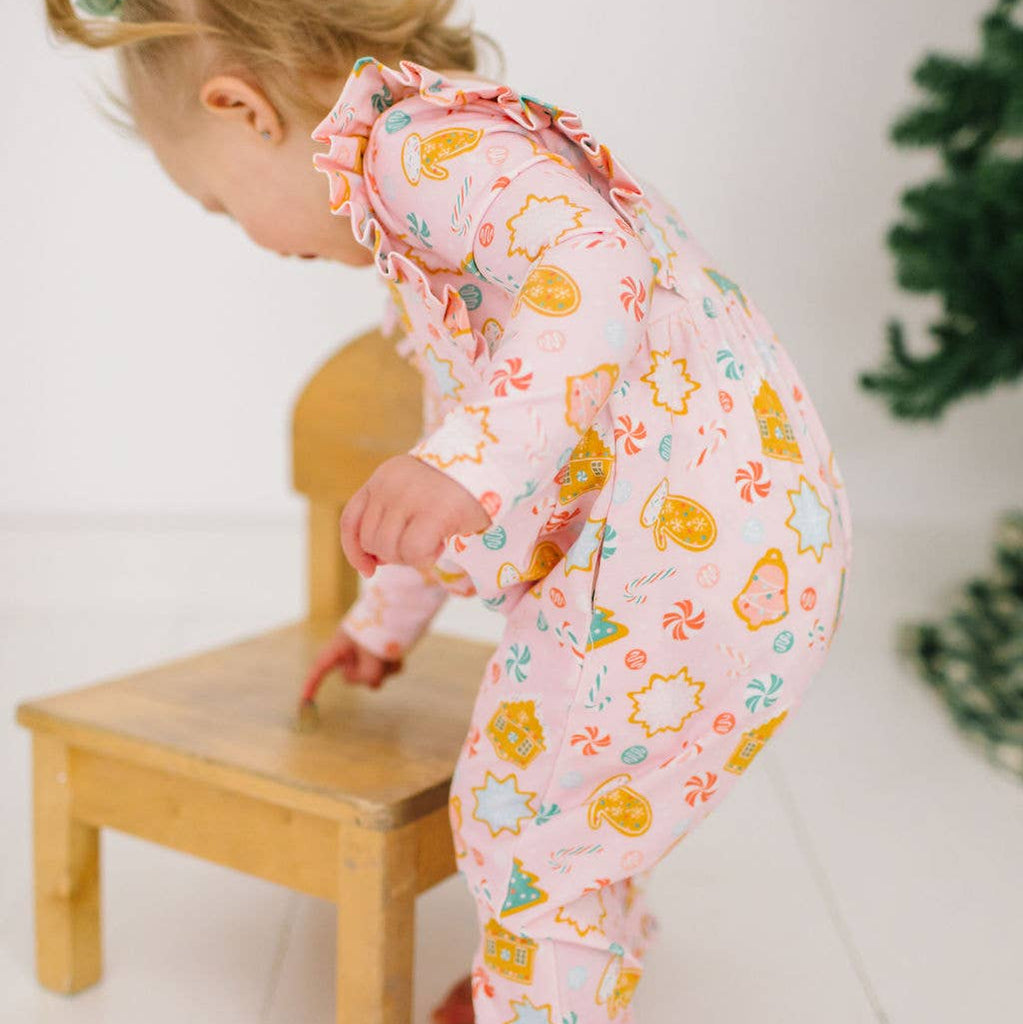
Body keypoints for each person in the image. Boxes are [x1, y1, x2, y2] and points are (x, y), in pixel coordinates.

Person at [45, 2, 855, 1021]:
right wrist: (385, 618)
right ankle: (560, 972)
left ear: (243, 110)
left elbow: (599, 273)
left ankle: (544, 997)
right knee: (584, 800)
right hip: (737, 544)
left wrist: (462, 463)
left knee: (522, 814)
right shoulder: (441, 215)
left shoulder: (428, 155)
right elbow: (478, 450)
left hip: (671, 566)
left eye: (216, 202)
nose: (240, 233)